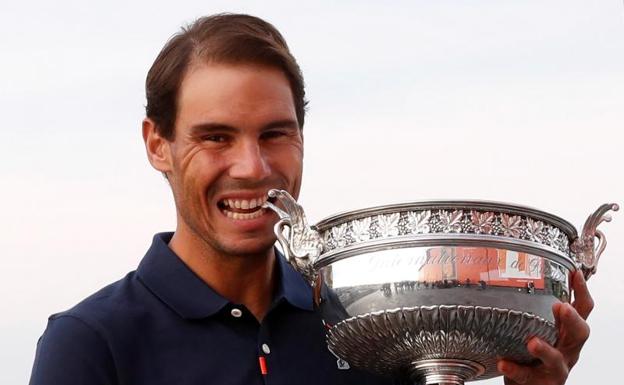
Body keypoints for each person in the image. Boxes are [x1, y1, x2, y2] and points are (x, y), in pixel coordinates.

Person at [29, 13, 594, 385]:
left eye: (274, 134)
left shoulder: (370, 324)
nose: (252, 168)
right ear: (159, 145)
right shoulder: (91, 345)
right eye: (216, 137)